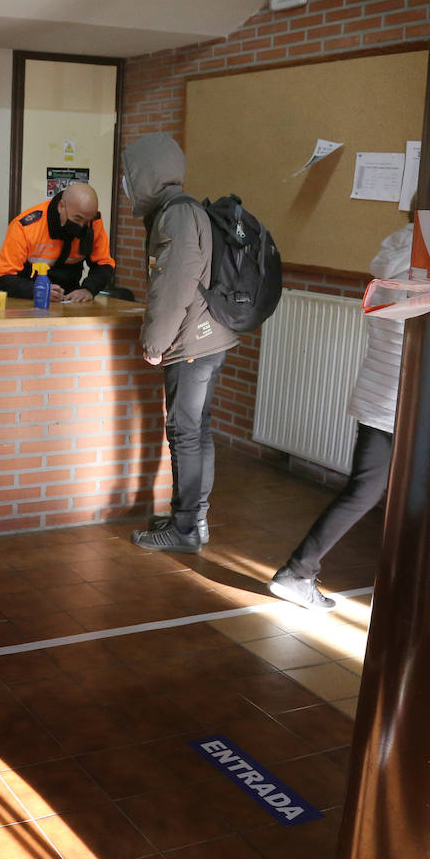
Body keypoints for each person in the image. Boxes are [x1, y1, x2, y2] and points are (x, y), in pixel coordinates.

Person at [269, 220, 415, 609]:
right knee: (375, 492)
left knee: (365, 491)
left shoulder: (394, 255)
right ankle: (297, 572)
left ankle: (298, 572)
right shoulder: (429, 270)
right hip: (402, 403)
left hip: (378, 396)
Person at [123, 133, 238, 553]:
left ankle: (186, 528)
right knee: (197, 431)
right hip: (207, 338)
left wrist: (155, 342)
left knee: (185, 433)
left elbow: (173, 286)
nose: (126, 183)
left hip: (191, 343)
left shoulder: (176, 215)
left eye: (129, 175)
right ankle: (192, 518)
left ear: (146, 174)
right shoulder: (181, 209)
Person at [0, 182, 116, 303]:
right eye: (78, 218)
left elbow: (104, 265)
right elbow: (3, 278)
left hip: (69, 301)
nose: (82, 225)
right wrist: (38, 290)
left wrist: (88, 289)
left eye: (87, 220)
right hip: (27, 300)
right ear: (61, 206)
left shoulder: (93, 223)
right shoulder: (26, 227)